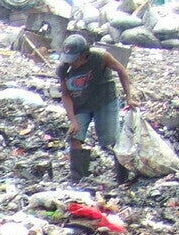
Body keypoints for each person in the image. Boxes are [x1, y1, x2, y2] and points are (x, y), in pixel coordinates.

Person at [58, 33, 136, 182]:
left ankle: (122, 178)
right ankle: (79, 179)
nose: (71, 63)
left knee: (112, 139)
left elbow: (121, 70)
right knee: (74, 136)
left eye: (74, 59)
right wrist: (73, 120)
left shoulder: (100, 57)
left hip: (105, 100)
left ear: (84, 55)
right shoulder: (64, 69)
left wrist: (129, 96)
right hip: (81, 103)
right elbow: (66, 95)